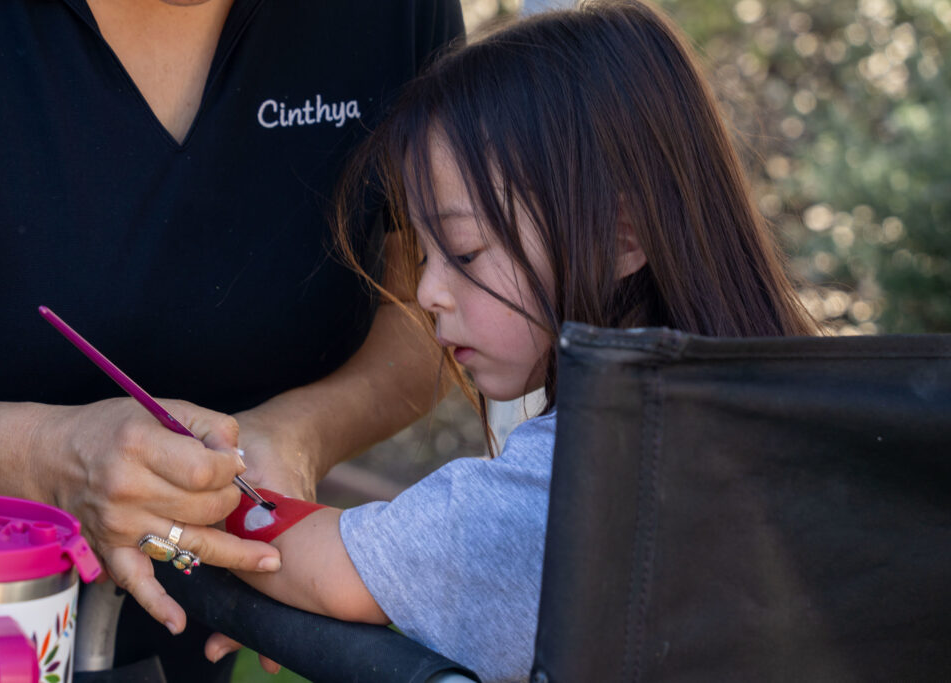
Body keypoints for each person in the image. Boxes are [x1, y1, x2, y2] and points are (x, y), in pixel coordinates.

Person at [206, 1, 820, 680]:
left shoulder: (591, 470)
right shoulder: (812, 423)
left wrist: (199, 483)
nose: (430, 291)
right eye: (424, 252)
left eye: (464, 251)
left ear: (622, 236)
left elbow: (330, 570)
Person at [0, 0, 462, 680]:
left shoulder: (394, 16)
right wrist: (42, 457)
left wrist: (298, 434)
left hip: (183, 638)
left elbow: (431, 310)